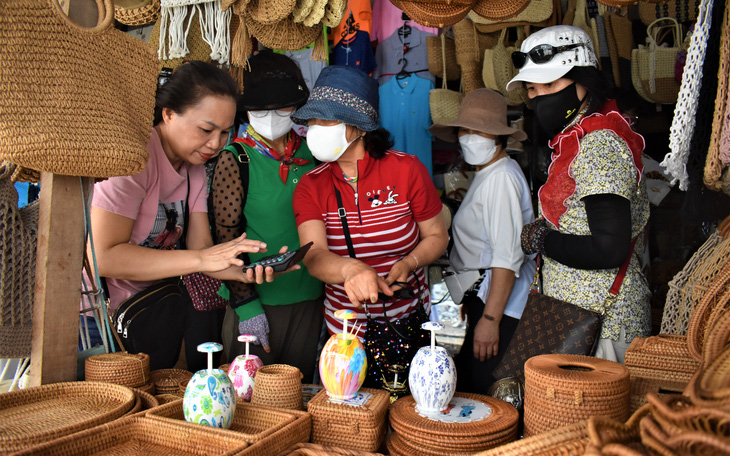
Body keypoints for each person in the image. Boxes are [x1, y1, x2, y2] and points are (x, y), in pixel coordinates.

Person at [90, 61, 286, 371]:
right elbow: (103, 256)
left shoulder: (194, 168)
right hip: (101, 320)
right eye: (206, 129)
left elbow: (201, 249)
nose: (216, 143)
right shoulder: (132, 161)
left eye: (225, 132)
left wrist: (244, 271)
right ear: (168, 113)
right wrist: (201, 261)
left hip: (154, 310)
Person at [291, 65, 449, 386]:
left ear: (360, 128)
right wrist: (351, 271)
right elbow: (314, 255)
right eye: (312, 121)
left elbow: (437, 235)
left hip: (407, 323)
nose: (315, 129)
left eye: (327, 120)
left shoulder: (407, 170)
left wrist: (409, 262)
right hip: (345, 333)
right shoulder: (310, 186)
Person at [508, 25, 651, 363]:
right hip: (574, 321)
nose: (539, 95)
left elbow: (608, 248)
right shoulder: (575, 141)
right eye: (532, 88)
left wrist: (543, 240)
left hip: (601, 326)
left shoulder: (599, 144)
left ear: (584, 82)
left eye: (550, 84)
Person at [210, 51, 324, 383]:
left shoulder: (313, 152)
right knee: (248, 399)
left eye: (283, 107)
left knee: (295, 394)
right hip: (257, 298)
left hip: (309, 295)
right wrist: (246, 307)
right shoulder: (236, 158)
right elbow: (225, 239)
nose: (271, 116)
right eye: (260, 108)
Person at [429, 88, 536, 394]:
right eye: (465, 129)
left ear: (499, 136)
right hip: (483, 296)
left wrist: (489, 319)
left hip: (499, 306)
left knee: (488, 392)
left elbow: (505, 257)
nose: (470, 137)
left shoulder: (501, 177)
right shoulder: (489, 173)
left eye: (480, 130)